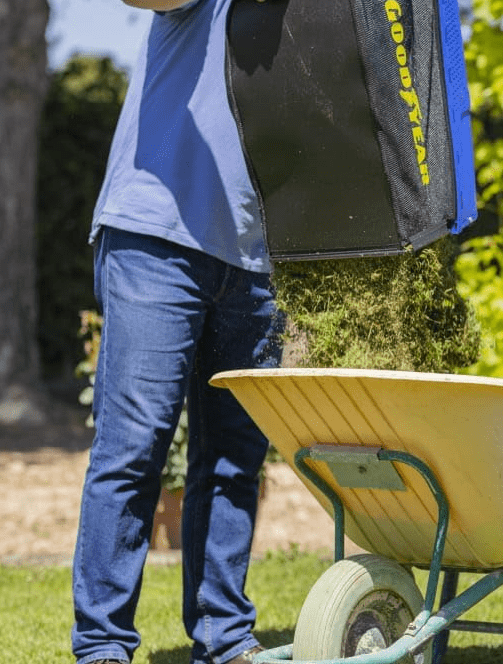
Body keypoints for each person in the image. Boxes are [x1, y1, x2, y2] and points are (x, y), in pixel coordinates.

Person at [71, 1, 284, 663]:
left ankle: (223, 638)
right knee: (133, 448)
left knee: (233, 460)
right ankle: (104, 645)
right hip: (155, 237)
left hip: (256, 258)